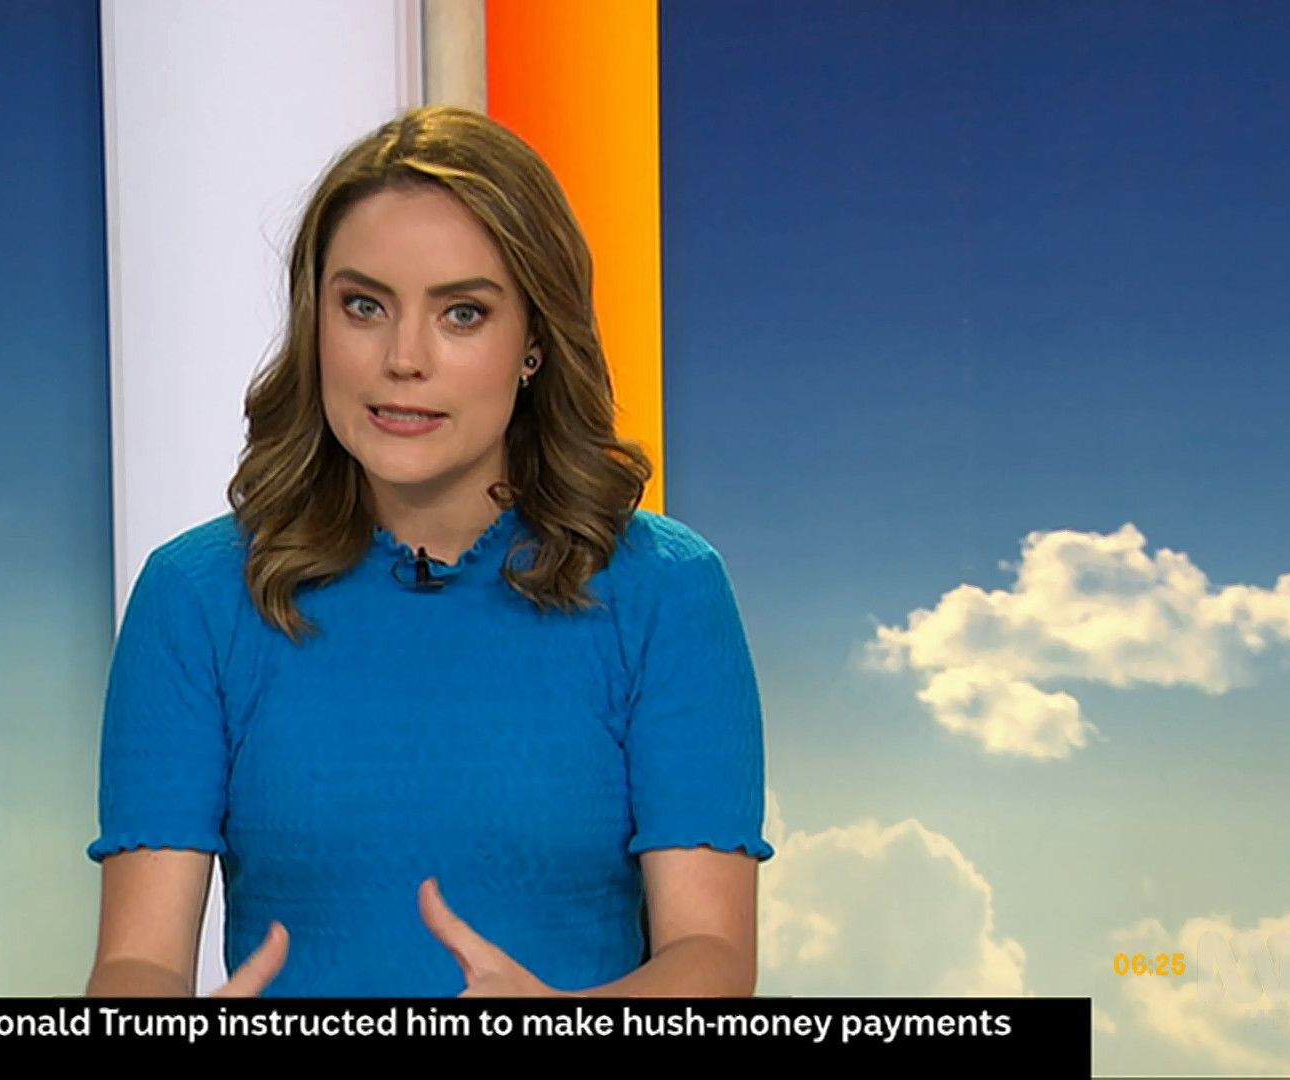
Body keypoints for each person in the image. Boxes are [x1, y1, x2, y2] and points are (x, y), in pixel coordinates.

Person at [84, 105, 775, 998]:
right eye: (364, 306)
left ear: (534, 342)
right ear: (316, 322)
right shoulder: (197, 598)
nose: (403, 358)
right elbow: (137, 961)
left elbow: (712, 956)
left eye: (462, 313)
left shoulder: (666, 593)